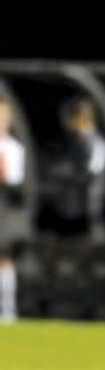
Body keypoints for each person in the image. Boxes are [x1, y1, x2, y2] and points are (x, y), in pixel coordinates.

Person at [35, 95, 105, 318]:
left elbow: (90, 173)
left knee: (84, 261)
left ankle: (88, 307)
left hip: (84, 211)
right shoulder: (63, 142)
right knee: (50, 258)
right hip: (59, 208)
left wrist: (65, 176)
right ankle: (45, 303)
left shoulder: (96, 143)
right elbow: (48, 167)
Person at [0, 96, 25, 322]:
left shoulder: (14, 148)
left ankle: (8, 309)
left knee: (4, 257)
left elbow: (16, 179)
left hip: (3, 205)